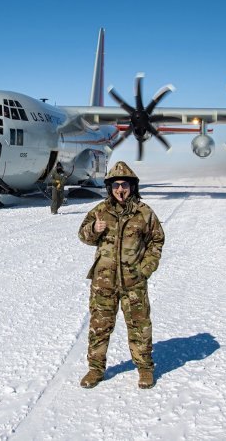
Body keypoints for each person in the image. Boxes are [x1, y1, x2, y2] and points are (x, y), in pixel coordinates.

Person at [77, 161, 165, 389]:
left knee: (139, 326)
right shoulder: (100, 211)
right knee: (99, 326)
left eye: (124, 185)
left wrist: (145, 268)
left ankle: (145, 369)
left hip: (133, 282)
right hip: (103, 282)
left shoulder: (144, 213)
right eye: (115, 185)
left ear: (132, 186)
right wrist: (92, 230)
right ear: (110, 188)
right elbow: (83, 235)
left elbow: (157, 241)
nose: (120, 190)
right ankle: (95, 369)